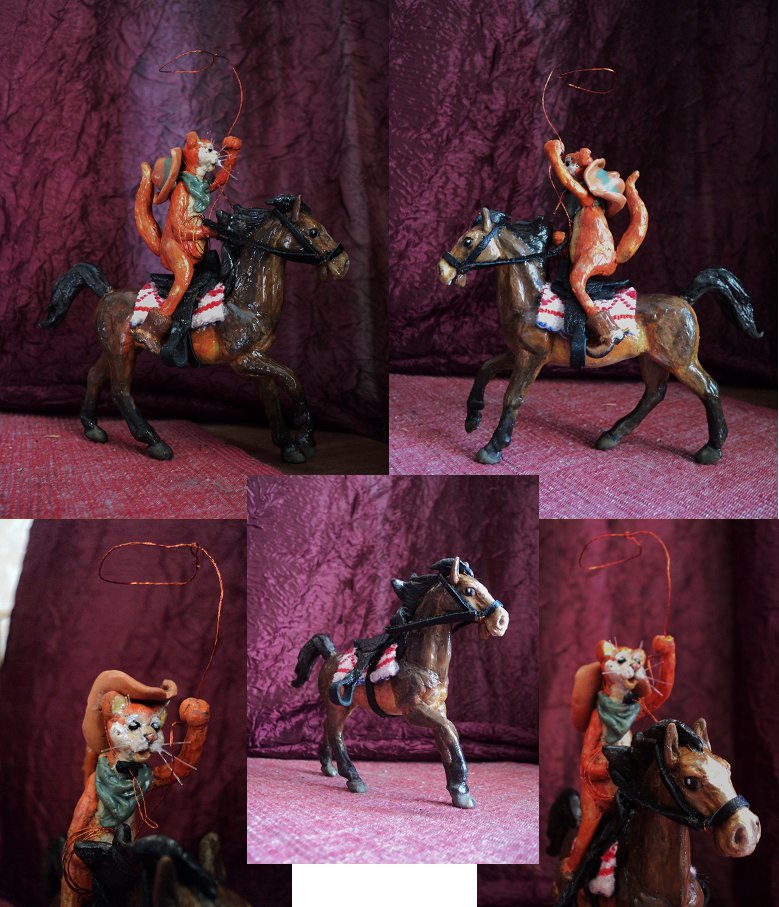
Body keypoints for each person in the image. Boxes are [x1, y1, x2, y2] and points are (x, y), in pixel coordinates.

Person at [133, 131, 241, 353]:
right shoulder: (182, 190)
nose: (214, 154)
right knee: (184, 275)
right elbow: (179, 229)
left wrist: (232, 154)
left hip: (193, 245)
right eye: (209, 150)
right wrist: (205, 231)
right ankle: (151, 329)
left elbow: (220, 180)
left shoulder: (199, 184)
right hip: (174, 246)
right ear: (193, 153)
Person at [544, 139, 648, 350]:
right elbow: (581, 238)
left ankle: (606, 327)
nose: (567, 165)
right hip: (589, 252)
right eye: (566, 161)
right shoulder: (583, 213)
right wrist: (565, 241)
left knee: (576, 281)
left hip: (599, 254)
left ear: (585, 173)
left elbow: (568, 182)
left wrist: (553, 155)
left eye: (570, 163)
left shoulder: (588, 201)